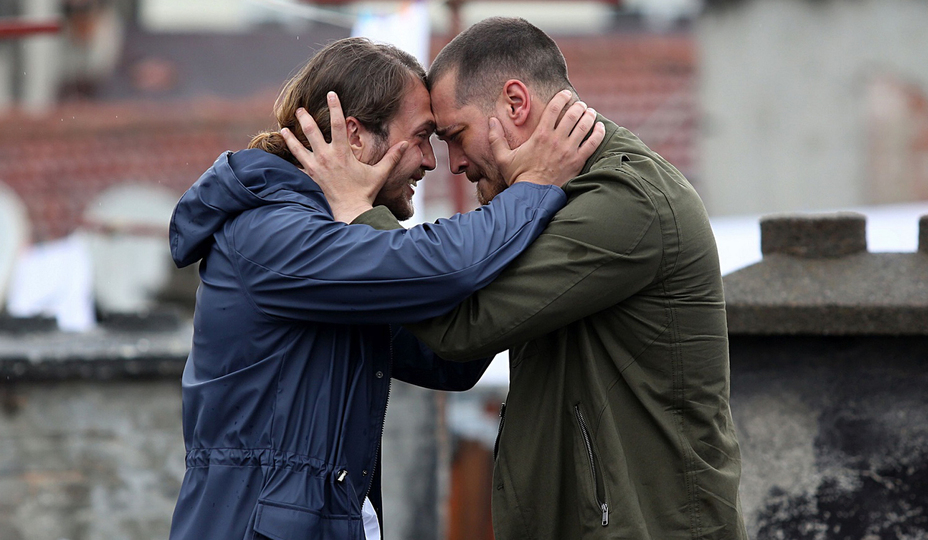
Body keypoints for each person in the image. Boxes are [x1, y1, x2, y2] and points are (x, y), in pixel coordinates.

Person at [290, 17, 749, 540]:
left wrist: (357, 214)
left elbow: (463, 328)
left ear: (515, 103)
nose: (453, 164)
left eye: (456, 136)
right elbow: (452, 355)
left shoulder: (626, 203)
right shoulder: (556, 201)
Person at [166, 37, 603, 540]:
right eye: (420, 137)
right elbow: (433, 265)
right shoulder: (269, 234)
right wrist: (534, 187)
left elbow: (449, 360)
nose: (431, 161)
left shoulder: (331, 248)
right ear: (354, 135)